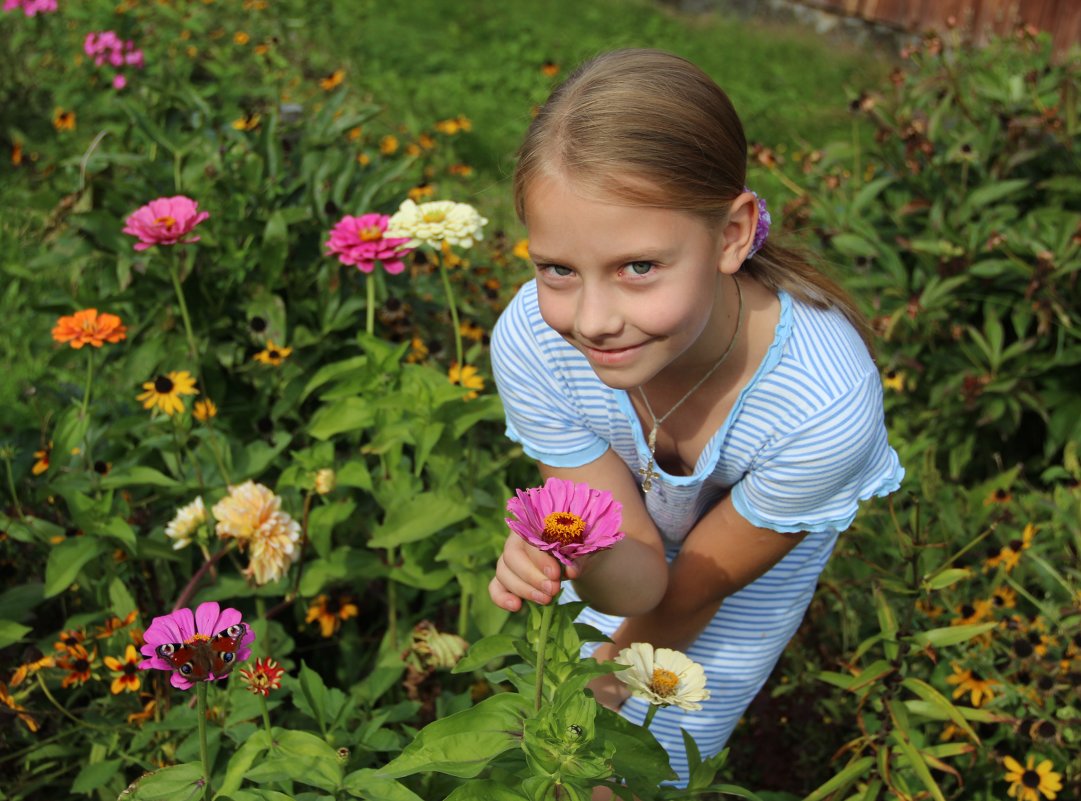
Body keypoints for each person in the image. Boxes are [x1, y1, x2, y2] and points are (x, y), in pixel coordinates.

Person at [488, 48, 904, 787]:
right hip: (637, 573)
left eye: (638, 267)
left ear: (731, 234)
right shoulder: (535, 344)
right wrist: (578, 554)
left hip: (733, 587)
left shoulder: (822, 404)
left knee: (646, 765)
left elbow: (689, 594)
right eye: (556, 268)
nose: (591, 321)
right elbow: (637, 577)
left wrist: (591, 698)